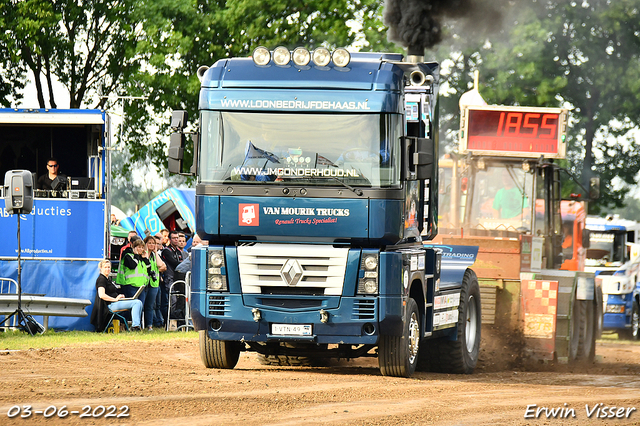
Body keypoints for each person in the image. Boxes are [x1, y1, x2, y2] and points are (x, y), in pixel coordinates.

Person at [90, 259, 143, 332]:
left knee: (138, 302)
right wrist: (115, 299)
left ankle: (136, 326)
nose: (108, 269)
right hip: (110, 305)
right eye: (105, 267)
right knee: (137, 303)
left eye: (109, 267)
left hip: (115, 302)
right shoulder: (101, 279)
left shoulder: (108, 279)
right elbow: (101, 295)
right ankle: (135, 326)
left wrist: (120, 296)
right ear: (101, 268)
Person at [119, 239, 150, 312]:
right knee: (131, 307)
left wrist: (145, 258)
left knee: (140, 306)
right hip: (130, 285)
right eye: (139, 247)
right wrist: (136, 255)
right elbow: (132, 265)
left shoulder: (141, 258)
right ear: (134, 247)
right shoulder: (128, 256)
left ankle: (137, 322)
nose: (141, 249)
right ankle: (125, 322)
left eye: (142, 247)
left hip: (141, 286)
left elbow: (149, 269)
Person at [160, 230, 184, 323]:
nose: (176, 240)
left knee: (180, 300)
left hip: (179, 278)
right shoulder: (166, 251)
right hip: (169, 278)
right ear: (170, 239)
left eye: (177, 238)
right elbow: (175, 264)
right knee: (171, 301)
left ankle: (179, 320)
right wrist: (182, 264)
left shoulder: (179, 251)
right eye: (174, 238)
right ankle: (169, 322)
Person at [143, 236, 164, 330]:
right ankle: (140, 324)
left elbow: (160, 265)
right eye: (149, 243)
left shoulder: (155, 255)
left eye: (153, 243)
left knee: (151, 305)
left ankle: (150, 325)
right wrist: (146, 251)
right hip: (144, 283)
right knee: (142, 304)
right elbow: (146, 261)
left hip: (154, 283)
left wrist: (155, 253)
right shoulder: (143, 254)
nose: (152, 245)